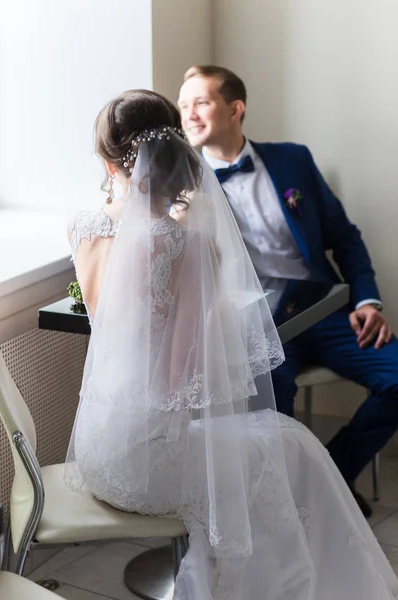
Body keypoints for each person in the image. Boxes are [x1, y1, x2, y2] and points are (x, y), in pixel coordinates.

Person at [64, 89, 398, 599]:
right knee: (297, 446)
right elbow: (184, 384)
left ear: (111, 162)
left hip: (95, 452)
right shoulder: (184, 243)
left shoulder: (81, 228)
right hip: (149, 466)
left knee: (278, 447)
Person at [178, 64, 398, 518]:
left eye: (200, 102)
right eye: (183, 105)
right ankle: (283, 502)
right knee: (271, 392)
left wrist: (366, 300)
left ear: (235, 108)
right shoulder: (183, 182)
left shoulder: (292, 160)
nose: (189, 114)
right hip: (254, 322)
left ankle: (329, 476)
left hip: (324, 308)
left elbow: (345, 236)